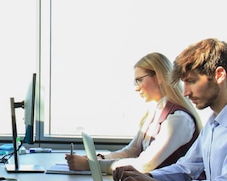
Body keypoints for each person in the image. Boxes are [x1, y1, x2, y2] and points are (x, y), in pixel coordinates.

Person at [113, 39, 227, 181]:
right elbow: (185, 169)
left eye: (192, 81)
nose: (186, 92)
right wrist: (146, 177)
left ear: (219, 75)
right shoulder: (213, 125)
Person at [66, 52, 202, 174]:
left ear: (159, 76)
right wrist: (96, 158)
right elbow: (130, 152)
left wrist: (92, 165)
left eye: (139, 80)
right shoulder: (153, 114)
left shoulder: (178, 119)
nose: (136, 88)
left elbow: (144, 164)